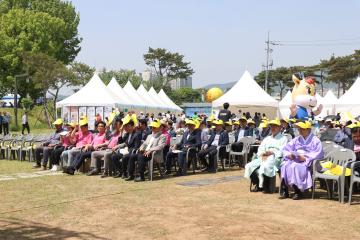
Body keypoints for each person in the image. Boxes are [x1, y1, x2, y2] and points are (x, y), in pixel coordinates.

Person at [280, 121, 324, 200]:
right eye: (299, 129)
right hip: (296, 159)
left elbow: (318, 153)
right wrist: (290, 155)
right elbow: (286, 149)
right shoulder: (297, 139)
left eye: (302, 129)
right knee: (285, 165)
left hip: (307, 162)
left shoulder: (315, 140)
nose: (300, 130)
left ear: (309, 130)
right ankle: (285, 190)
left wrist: (305, 158)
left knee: (294, 166)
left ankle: (298, 191)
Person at [244, 119, 288, 193]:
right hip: (264, 157)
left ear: (280, 127)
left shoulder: (283, 138)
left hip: (275, 158)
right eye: (272, 126)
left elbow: (282, 150)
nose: (273, 128)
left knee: (266, 166)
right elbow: (261, 148)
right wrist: (263, 153)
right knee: (249, 166)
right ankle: (258, 184)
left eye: (275, 126)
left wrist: (272, 153)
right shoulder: (267, 139)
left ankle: (266, 186)